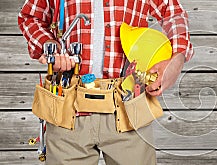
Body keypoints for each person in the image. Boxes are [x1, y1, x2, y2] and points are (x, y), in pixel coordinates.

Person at [18, 0, 193, 164]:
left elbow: (173, 14)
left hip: (128, 105)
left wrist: (177, 59)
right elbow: (30, 17)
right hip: (68, 108)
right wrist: (48, 45)